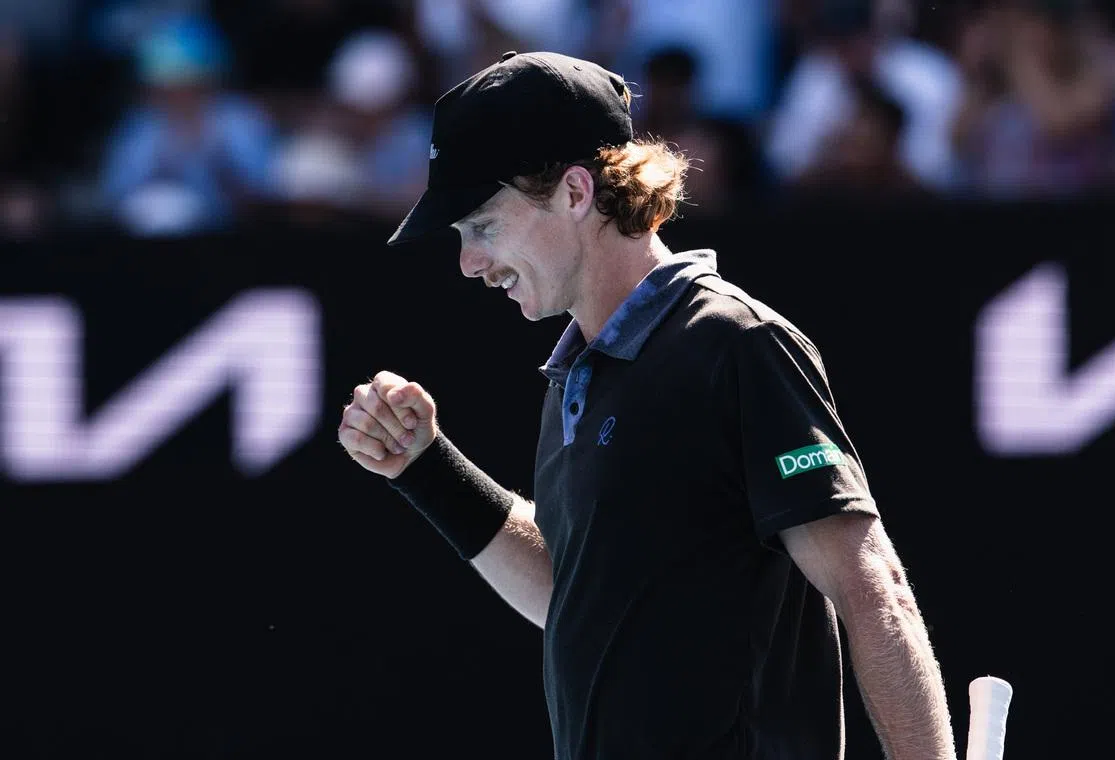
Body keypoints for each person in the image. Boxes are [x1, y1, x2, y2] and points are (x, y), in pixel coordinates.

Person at [337, 50, 956, 759]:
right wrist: (428, 471)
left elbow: (872, 588)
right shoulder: (578, 379)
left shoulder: (733, 344)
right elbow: (578, 603)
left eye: (481, 225)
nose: (468, 263)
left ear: (574, 193)